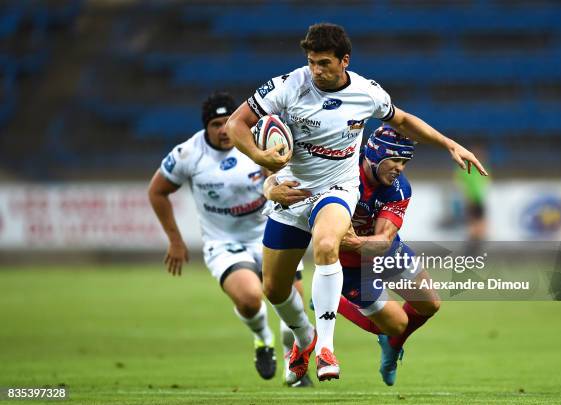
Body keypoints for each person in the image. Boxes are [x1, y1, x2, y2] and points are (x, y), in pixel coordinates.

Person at [226, 23, 487, 383]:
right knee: (273, 288)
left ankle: (326, 350)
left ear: (344, 61)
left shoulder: (367, 93)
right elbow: (237, 124)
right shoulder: (286, 86)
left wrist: (449, 144)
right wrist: (261, 158)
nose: (316, 69)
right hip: (293, 192)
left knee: (327, 243)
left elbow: (405, 120)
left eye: (324, 63)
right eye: (311, 61)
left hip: (337, 188)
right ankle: (306, 335)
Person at [147, 91, 313, 386]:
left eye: (228, 121)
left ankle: (293, 360)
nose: (224, 130)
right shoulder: (188, 154)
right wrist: (175, 240)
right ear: (205, 127)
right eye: (216, 124)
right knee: (250, 299)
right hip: (224, 243)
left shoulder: (256, 141)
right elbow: (157, 191)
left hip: (269, 233)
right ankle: (263, 339)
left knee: (294, 304)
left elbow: (280, 177)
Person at [267, 125, 440, 386]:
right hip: (351, 269)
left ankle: (391, 349)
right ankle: (333, 298)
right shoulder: (340, 171)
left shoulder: (399, 189)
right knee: (395, 325)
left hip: (386, 253)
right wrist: (271, 187)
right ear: (374, 154)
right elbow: (280, 176)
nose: (400, 168)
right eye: (395, 159)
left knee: (430, 304)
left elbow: (383, 242)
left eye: (404, 161)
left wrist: (353, 241)